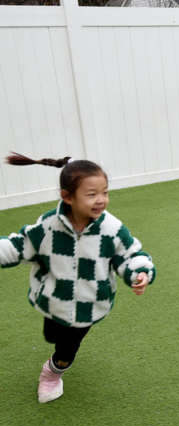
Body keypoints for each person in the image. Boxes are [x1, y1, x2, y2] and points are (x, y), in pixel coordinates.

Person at [0, 153, 156, 403]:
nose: (101, 201)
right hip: (54, 299)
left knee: (66, 348)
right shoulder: (49, 225)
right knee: (52, 334)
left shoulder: (112, 228)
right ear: (68, 197)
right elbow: (21, 245)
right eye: (91, 194)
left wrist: (139, 271)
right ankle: (56, 339)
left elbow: (128, 254)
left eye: (104, 192)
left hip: (88, 305)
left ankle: (52, 374)